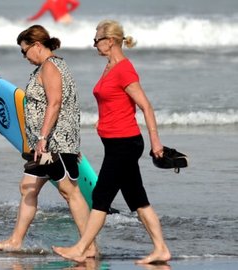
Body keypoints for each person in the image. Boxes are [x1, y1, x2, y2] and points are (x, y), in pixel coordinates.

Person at [53, 20, 172, 264]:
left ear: (111, 41)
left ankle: (82, 248)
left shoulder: (124, 69)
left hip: (125, 143)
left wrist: (156, 143)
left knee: (101, 196)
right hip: (115, 143)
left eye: (96, 40)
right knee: (138, 200)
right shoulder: (110, 67)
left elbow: (146, 106)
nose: (94, 44)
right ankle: (161, 249)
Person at [0, 25, 97, 257]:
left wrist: (43, 138)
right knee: (27, 188)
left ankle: (89, 248)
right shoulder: (49, 67)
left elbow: (55, 103)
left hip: (54, 143)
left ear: (37, 45)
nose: (24, 57)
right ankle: (16, 240)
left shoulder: (50, 66)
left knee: (70, 192)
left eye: (24, 51)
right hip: (46, 145)